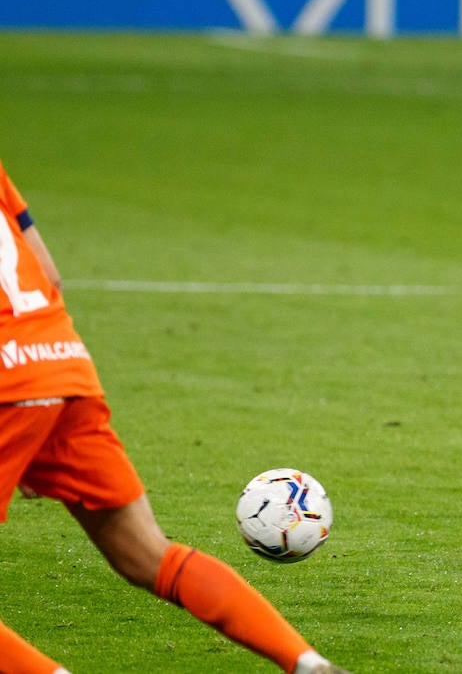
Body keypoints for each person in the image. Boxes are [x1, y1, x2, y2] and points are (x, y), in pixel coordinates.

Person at [0, 156, 348, 674]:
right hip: (61, 361)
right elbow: (48, 272)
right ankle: (304, 661)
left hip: (7, 373)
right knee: (147, 554)